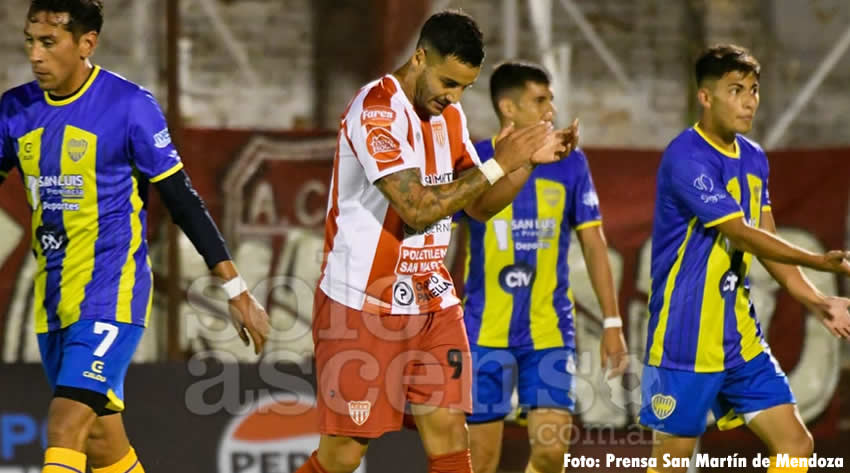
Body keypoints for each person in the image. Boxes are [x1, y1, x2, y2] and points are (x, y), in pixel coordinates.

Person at [297, 11, 578, 473]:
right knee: (343, 455)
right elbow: (419, 208)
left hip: (433, 300)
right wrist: (498, 163)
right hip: (363, 303)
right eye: (448, 82)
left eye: (465, 87)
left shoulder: (448, 115)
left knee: (450, 436)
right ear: (419, 57)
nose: (454, 97)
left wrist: (524, 162)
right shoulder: (376, 112)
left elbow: (478, 205)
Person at [0, 2, 271, 472]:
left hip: (112, 295)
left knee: (65, 427)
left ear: (86, 43)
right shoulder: (15, 109)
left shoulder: (128, 107)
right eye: (30, 41)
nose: (35, 55)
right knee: (103, 442)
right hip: (55, 301)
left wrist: (235, 289)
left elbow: (183, 201)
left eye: (48, 42)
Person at [640, 44, 850, 473]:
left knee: (795, 444)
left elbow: (765, 239)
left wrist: (817, 300)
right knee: (670, 466)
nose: (749, 100)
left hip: (739, 337)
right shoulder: (686, 156)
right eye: (736, 90)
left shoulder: (753, 157)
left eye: (753, 89)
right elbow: (740, 232)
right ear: (705, 97)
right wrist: (819, 261)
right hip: (683, 339)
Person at [455, 61, 628, 473]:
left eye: (551, 99)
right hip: (482, 331)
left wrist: (612, 321)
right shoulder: (475, 159)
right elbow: (441, 235)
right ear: (508, 108)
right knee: (481, 462)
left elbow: (593, 242)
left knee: (551, 455)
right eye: (540, 100)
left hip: (549, 331)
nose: (551, 109)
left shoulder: (571, 163)